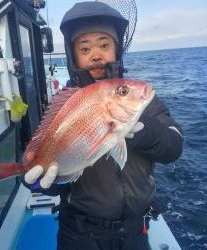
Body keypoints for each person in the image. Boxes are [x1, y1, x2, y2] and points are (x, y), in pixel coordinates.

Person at [23, 2, 183, 250]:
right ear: (73, 55)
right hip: (79, 232)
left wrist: (145, 131)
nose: (96, 55)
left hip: (134, 229)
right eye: (85, 48)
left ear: (117, 49)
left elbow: (174, 147)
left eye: (104, 45)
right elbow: (56, 159)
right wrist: (43, 178)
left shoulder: (144, 103)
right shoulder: (65, 104)